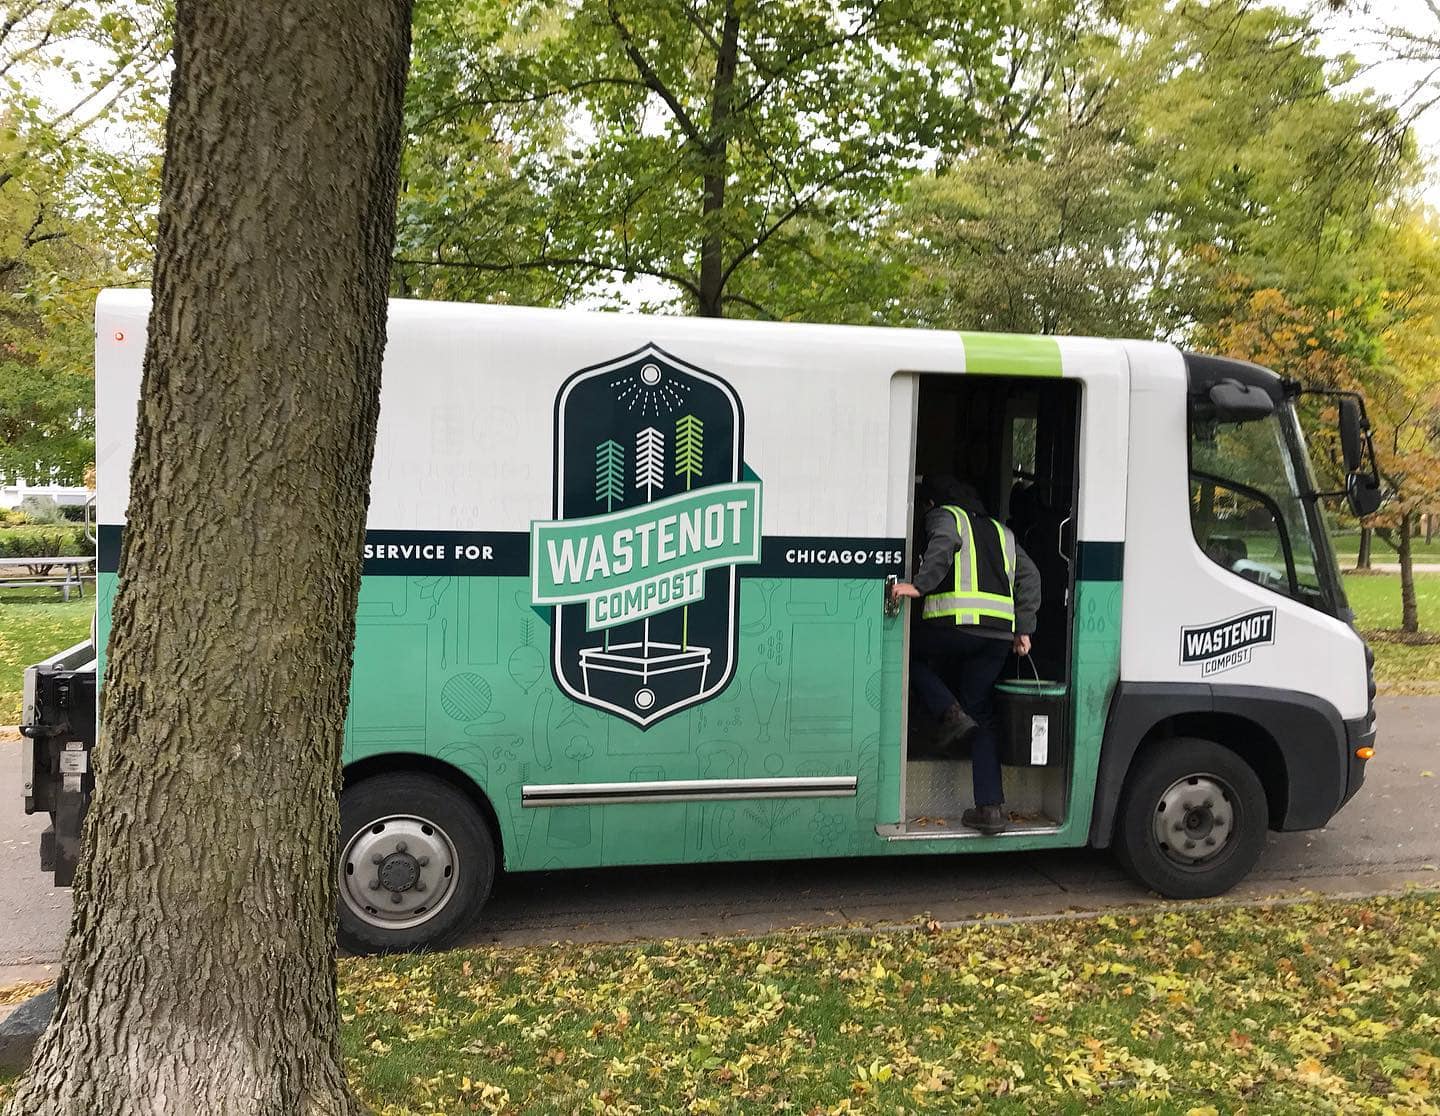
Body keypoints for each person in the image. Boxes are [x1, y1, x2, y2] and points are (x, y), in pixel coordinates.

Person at [893, 475, 1042, 835]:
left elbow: (944, 543)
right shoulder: (1003, 532)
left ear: (932, 502)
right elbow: (1031, 576)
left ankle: (950, 712)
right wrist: (1023, 629)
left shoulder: (945, 516)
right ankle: (990, 809)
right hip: (996, 638)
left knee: (907, 657)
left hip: (954, 627)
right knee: (982, 714)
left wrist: (919, 585)